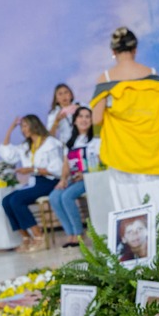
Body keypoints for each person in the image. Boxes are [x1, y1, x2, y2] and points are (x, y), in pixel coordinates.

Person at [90, 27, 159, 211]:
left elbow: (96, 118)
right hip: (153, 148)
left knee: (133, 210)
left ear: (113, 52)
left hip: (123, 151)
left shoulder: (106, 79)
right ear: (135, 49)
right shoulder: (153, 74)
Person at [0, 114, 63, 252]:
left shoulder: (50, 142)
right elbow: (7, 153)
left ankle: (39, 237)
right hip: (35, 181)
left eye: (25, 125)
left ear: (35, 125)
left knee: (16, 200)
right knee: (6, 201)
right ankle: (26, 237)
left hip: (49, 181)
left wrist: (32, 169)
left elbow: (57, 169)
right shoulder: (26, 146)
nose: (23, 129)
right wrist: (11, 128)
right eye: (21, 126)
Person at [49, 106, 99, 247]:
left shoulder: (95, 141)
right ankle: (69, 233)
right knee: (54, 196)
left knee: (66, 196)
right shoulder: (70, 143)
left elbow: (100, 164)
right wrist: (63, 180)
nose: (84, 120)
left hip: (88, 179)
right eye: (80, 116)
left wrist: (84, 175)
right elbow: (66, 164)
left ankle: (79, 233)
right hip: (73, 178)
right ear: (75, 121)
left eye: (87, 116)